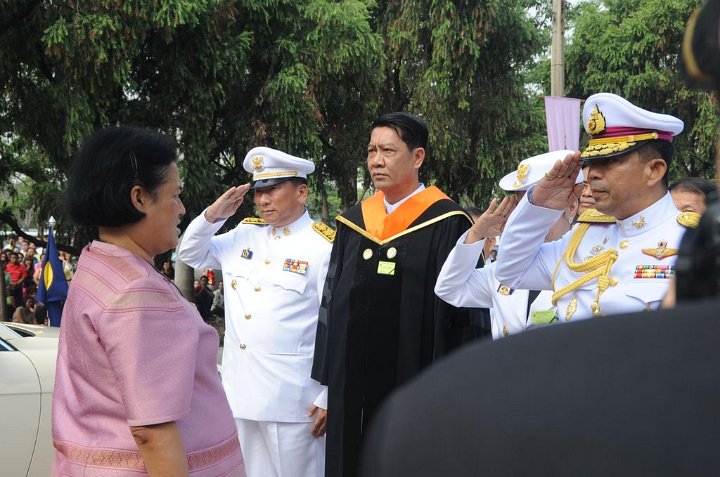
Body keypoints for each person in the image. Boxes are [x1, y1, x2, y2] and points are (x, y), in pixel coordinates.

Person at [52, 126, 245, 476]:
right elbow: (153, 432)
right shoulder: (138, 291)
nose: (182, 209)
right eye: (175, 195)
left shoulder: (97, 263)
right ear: (140, 198)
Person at [311, 112, 475, 477]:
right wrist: (328, 384)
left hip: (417, 383)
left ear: (418, 157)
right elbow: (331, 304)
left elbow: (461, 313)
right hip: (351, 386)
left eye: (387, 150)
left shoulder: (448, 223)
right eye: (371, 150)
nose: (375, 161)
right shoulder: (354, 223)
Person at [177, 146, 333, 477]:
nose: (263, 199)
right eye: (259, 191)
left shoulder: (323, 247)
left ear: (301, 192)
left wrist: (329, 393)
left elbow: (337, 323)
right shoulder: (243, 234)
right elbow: (189, 253)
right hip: (239, 394)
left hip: (294, 402)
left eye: (273, 189)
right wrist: (213, 215)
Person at [495, 93, 696, 321]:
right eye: (590, 162)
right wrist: (540, 207)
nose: (592, 174)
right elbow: (510, 271)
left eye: (610, 161)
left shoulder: (694, 242)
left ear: (654, 170)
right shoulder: (583, 236)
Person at [435, 150, 580, 338]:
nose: (528, 220)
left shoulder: (585, 263)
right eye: (522, 210)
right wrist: (477, 233)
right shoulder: (500, 271)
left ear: (571, 208)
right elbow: (448, 288)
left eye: (540, 209)